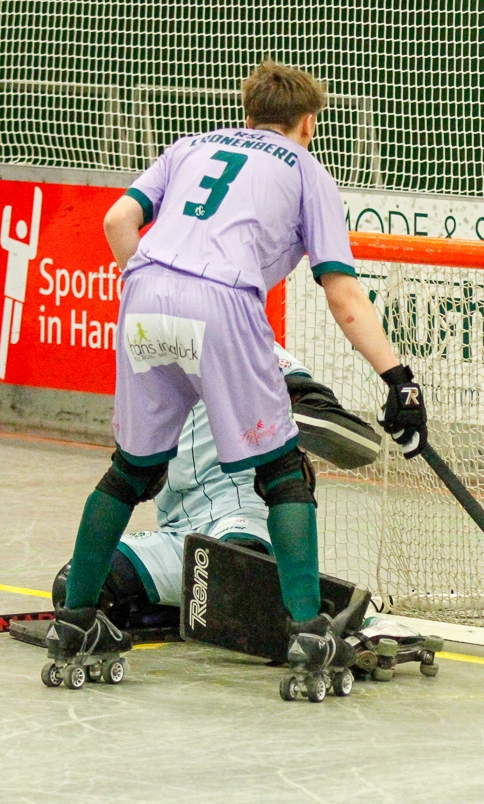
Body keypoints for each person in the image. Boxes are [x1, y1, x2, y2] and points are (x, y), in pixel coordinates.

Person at [45, 60, 427, 693]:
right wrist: (398, 378)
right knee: (283, 474)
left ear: (248, 115)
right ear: (308, 123)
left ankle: (74, 623)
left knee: (130, 471)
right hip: (222, 299)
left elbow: (117, 222)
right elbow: (344, 297)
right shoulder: (306, 170)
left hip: (143, 287)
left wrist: (154, 286)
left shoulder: (190, 145)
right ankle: (308, 634)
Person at [50, 342, 381, 632]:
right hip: (177, 537)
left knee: (232, 568)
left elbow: (317, 410)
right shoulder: (148, 361)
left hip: (239, 520)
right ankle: (199, 609)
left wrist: (300, 415)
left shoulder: (244, 341)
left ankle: (332, 615)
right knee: (75, 583)